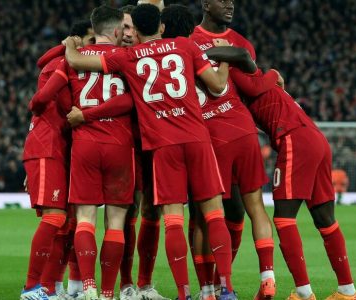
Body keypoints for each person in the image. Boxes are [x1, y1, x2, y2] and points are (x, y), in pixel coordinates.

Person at [65, 4, 237, 300]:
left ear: (135, 30)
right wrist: (224, 58)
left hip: (161, 145)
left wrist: (71, 45)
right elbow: (219, 87)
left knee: (172, 219)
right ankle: (226, 291)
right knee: (214, 215)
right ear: (162, 27)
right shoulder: (184, 45)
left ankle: (182, 294)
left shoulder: (128, 57)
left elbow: (78, 61)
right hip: (197, 139)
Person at [230, 65, 356, 300]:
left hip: (294, 139)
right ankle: (347, 291)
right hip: (316, 139)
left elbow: (248, 78)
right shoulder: (265, 89)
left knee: (283, 219)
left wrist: (270, 72)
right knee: (325, 220)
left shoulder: (247, 80)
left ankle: (303, 293)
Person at [33, 5, 136, 300]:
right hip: (119, 143)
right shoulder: (126, 58)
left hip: (84, 144)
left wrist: (67, 45)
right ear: (117, 31)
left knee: (86, 219)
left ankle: (87, 284)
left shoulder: (71, 59)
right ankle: (106, 292)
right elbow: (131, 100)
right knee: (116, 223)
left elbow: (45, 66)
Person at [189, 1, 276, 299]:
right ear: (204, 3)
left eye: (232, 0)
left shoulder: (191, 44)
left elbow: (251, 87)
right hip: (239, 131)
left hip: (216, 136)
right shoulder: (195, 39)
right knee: (249, 209)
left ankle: (211, 288)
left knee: (205, 216)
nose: (229, 4)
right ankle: (262, 278)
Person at [20, 20, 94, 300]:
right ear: (76, 40)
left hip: (57, 149)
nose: (93, 48)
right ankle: (30, 287)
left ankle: (50, 287)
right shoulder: (62, 66)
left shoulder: (68, 63)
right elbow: (38, 102)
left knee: (66, 222)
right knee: (56, 217)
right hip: (47, 147)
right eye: (89, 41)